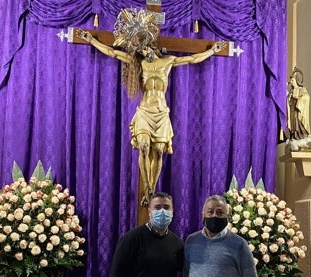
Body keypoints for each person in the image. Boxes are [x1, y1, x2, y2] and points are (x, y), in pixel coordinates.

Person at [77, 8, 225, 205]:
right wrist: (92, 40)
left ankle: (152, 189)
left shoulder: (168, 62)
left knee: (159, 152)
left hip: (161, 113)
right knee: (144, 148)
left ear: (151, 45)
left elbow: (192, 59)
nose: (142, 51)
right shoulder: (137, 62)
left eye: (144, 47)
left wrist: (212, 51)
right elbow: (112, 52)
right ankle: (147, 186)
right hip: (145, 112)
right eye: (140, 49)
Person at [108, 192, 184, 277]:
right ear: (149, 212)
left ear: (172, 211)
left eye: (166, 207)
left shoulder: (177, 243)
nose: (162, 211)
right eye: (157, 207)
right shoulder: (131, 239)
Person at [184, 195, 259, 277]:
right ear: (203, 214)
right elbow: (187, 275)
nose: (214, 216)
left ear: (227, 216)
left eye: (220, 212)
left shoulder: (239, 244)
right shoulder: (191, 241)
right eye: (210, 211)